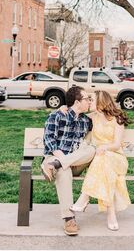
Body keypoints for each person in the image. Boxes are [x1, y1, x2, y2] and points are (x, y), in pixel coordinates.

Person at [69, 90, 130, 231]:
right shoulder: (94, 117)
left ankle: (85, 197)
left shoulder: (118, 119)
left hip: (117, 158)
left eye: (92, 99)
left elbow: (116, 145)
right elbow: (76, 114)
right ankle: (111, 214)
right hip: (102, 159)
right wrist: (64, 107)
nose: (89, 102)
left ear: (101, 102)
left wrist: (103, 147)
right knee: (103, 163)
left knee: (103, 157)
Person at [40, 85, 95, 236]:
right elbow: (50, 142)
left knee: (92, 150)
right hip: (55, 157)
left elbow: (105, 113)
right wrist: (62, 160)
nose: (89, 101)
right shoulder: (56, 116)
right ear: (77, 102)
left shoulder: (87, 121)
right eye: (86, 99)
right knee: (64, 170)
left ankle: (55, 165)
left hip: (72, 162)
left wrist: (63, 162)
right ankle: (69, 218)